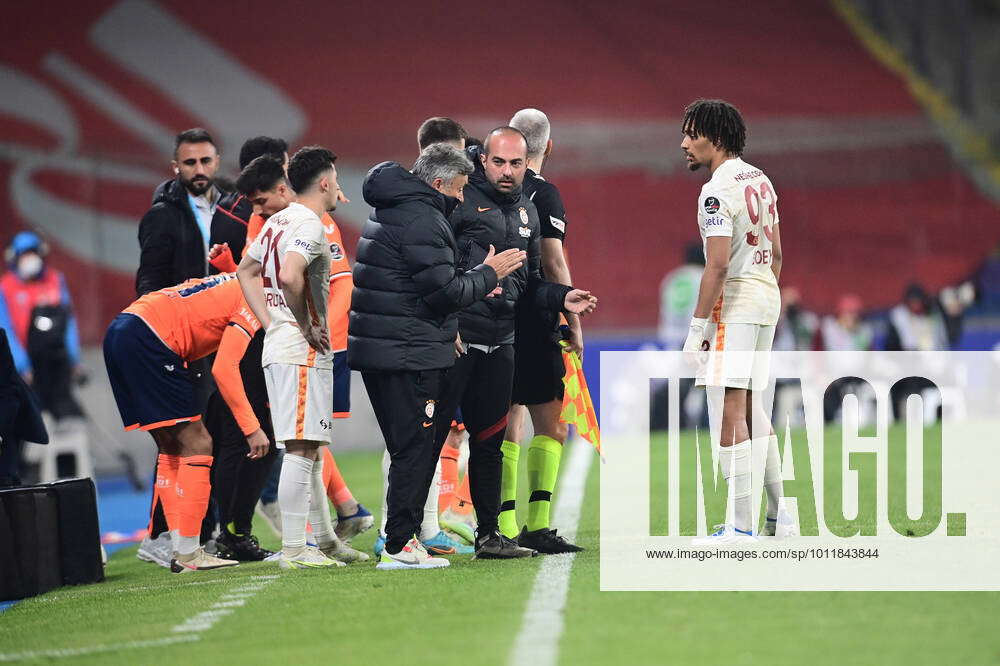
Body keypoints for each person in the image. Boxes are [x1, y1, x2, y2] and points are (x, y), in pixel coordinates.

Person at [349, 143, 527, 570]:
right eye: (460, 189)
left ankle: (401, 540)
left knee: (404, 446)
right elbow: (445, 293)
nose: (463, 198)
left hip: (384, 347)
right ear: (437, 183)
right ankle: (399, 545)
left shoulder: (390, 209)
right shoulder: (424, 220)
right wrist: (490, 273)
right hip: (409, 351)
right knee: (414, 447)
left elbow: (419, 283)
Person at [433, 127, 598, 560]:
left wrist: (564, 299)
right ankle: (415, 532)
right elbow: (437, 267)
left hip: (511, 331)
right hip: (464, 335)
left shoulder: (530, 206)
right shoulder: (460, 199)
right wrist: (451, 316)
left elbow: (536, 277)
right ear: (483, 158)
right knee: (448, 434)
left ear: (531, 158)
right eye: (500, 162)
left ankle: (514, 529)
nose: (508, 171)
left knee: (517, 429)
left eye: (516, 163)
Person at [233, 154, 370, 563]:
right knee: (299, 449)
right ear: (326, 183)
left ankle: (323, 541)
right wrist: (303, 323)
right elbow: (291, 275)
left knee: (309, 446)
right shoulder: (309, 224)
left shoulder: (277, 220)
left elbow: (246, 270)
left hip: (284, 344)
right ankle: (296, 548)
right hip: (299, 349)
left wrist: (270, 321)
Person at [678, 99, 792, 544]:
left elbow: (718, 266)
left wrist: (697, 329)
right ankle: (779, 518)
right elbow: (778, 253)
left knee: (730, 408)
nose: (684, 143)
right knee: (751, 406)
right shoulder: (761, 179)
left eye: (692, 134)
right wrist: (766, 294)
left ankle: (740, 524)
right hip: (767, 296)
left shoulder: (715, 191)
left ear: (717, 138)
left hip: (738, 301)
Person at [103, 273, 269, 572]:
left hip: (121, 329)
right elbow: (224, 368)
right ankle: (190, 553)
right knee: (199, 442)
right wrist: (251, 428)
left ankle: (179, 547)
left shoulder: (237, 278)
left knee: (170, 445)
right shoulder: (254, 297)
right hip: (152, 338)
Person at [134, 128, 247, 566]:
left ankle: (202, 530)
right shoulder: (163, 216)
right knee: (179, 437)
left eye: (205, 161)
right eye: (189, 163)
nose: (198, 170)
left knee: (216, 435)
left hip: (221, 330)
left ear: (217, 161)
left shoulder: (235, 208)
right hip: (179, 335)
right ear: (174, 167)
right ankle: (163, 534)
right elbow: (149, 278)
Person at [497, 108, 584, 554]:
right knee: (551, 422)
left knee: (507, 420)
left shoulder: (486, 182)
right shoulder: (544, 194)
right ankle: (539, 524)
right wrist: (572, 320)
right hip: (533, 317)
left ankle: (504, 525)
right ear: (548, 147)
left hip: (493, 316)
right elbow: (553, 261)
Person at [0, 231, 83, 420]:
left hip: (56, 364)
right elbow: (5, 330)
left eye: (33, 253)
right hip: (25, 371)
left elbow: (68, 321)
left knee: (66, 415)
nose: (30, 259)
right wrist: (22, 365)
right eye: (25, 254)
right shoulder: (5, 287)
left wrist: (73, 359)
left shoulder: (55, 280)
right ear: (14, 257)